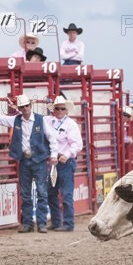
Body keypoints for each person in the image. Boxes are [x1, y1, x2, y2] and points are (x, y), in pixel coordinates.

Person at [0, 93, 58, 233]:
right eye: (22, 107)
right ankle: (29, 223)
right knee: (26, 193)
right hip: (25, 159)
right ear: (20, 108)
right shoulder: (16, 120)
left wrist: (54, 155)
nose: (25, 109)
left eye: (26, 106)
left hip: (39, 160)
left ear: (30, 106)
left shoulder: (40, 120)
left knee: (41, 192)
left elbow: (52, 138)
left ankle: (40, 223)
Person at [45, 96, 83, 232]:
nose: (60, 111)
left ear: (66, 110)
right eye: (57, 108)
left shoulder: (71, 124)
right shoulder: (48, 121)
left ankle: (68, 223)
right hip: (54, 161)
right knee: (51, 193)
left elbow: (77, 144)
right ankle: (56, 221)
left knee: (66, 194)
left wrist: (66, 155)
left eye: (62, 108)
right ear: (53, 110)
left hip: (65, 161)